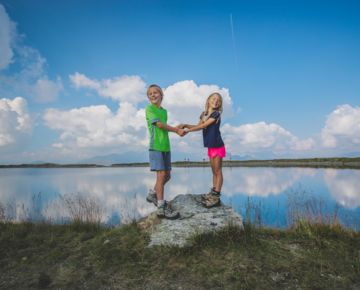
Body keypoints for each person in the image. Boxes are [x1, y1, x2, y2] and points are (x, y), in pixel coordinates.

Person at [178, 92, 225, 208]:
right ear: (208, 100)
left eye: (218, 100)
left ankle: (216, 196)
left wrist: (187, 131)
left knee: (218, 171)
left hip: (218, 145)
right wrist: (186, 125)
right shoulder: (203, 114)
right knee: (214, 171)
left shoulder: (216, 114)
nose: (216, 101)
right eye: (213, 99)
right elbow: (198, 125)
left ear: (220, 104)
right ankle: (213, 193)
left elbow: (204, 126)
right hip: (210, 146)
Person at [145, 84, 185, 219]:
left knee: (167, 176)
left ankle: (152, 194)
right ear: (148, 97)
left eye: (155, 92)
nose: (153, 95)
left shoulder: (164, 111)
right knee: (161, 175)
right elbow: (160, 125)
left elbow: (165, 127)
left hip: (166, 147)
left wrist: (177, 127)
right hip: (156, 146)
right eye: (150, 94)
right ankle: (161, 208)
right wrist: (176, 130)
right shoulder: (149, 109)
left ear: (161, 95)